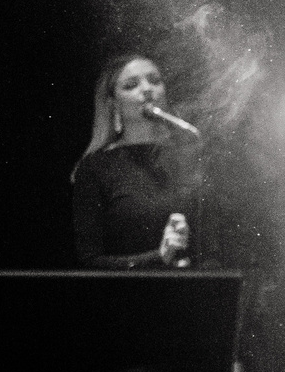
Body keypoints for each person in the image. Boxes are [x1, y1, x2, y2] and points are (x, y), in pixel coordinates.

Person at [71, 54, 201, 268]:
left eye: (154, 81)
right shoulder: (96, 167)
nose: (147, 89)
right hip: (129, 296)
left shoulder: (187, 154)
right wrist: (158, 257)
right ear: (113, 104)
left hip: (189, 293)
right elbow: (89, 261)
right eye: (131, 85)